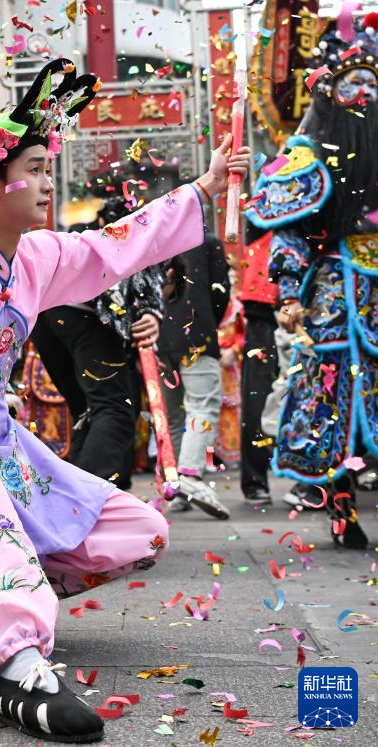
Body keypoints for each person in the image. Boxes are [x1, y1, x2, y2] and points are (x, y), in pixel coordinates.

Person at [0, 57, 250, 743]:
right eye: (32, 168)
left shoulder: (28, 256)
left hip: (0, 448)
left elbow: (112, 247)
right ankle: (12, 664)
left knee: (142, 532)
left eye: (45, 165)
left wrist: (204, 187)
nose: (45, 181)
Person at [244, 16, 377, 548]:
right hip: (335, 294)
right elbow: (291, 233)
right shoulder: (309, 154)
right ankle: (341, 505)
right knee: (334, 402)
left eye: (372, 83)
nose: (364, 93)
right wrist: (289, 292)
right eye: (352, 83)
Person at [35, 196, 164, 490]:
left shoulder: (81, 231)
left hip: (46, 316)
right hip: (86, 315)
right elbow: (147, 260)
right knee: (114, 407)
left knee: (87, 410)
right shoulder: (138, 228)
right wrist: (151, 310)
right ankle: (86, 495)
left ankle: (72, 493)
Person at [156, 235, 231, 519]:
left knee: (173, 416)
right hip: (197, 332)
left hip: (160, 336)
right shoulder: (207, 242)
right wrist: (208, 321)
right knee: (202, 406)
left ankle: (174, 486)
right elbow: (220, 292)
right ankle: (189, 475)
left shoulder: (158, 239)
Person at [237, 230, 279, 505]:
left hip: (304, 301)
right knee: (257, 398)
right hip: (264, 306)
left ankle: (314, 478)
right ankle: (255, 479)